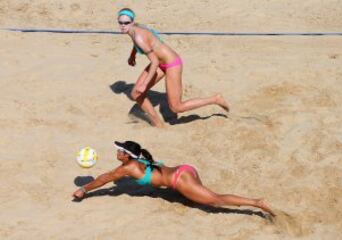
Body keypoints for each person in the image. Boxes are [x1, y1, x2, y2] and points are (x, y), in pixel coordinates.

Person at [72, 141, 275, 216]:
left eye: (120, 150)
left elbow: (104, 180)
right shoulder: (141, 159)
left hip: (180, 180)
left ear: (127, 156)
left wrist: (84, 189)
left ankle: (257, 203)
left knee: (215, 200)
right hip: (185, 169)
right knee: (198, 196)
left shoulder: (127, 169)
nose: (117, 151)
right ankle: (254, 202)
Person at [117, 8, 230, 127]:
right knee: (136, 94)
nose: (123, 26)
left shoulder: (138, 36)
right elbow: (140, 45)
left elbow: (154, 61)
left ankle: (215, 99)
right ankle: (158, 124)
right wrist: (132, 56)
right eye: (121, 23)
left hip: (172, 64)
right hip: (161, 63)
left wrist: (145, 84)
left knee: (176, 107)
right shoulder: (134, 30)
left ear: (132, 22)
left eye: (126, 23)